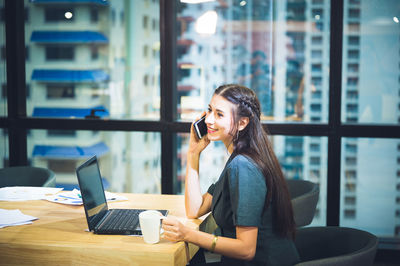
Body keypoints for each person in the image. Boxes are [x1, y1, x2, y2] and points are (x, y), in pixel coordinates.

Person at [162, 84, 299, 266]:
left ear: (242, 123)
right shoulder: (240, 157)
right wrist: (193, 154)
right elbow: (195, 209)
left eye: (219, 114)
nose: (209, 120)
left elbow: (246, 250)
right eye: (209, 111)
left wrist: (188, 234)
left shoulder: (243, 166)